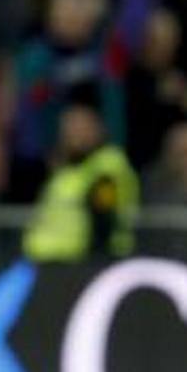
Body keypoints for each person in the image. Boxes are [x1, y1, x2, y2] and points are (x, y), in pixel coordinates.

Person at [22, 102, 140, 261]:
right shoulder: (67, 170)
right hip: (49, 262)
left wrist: (93, 265)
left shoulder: (107, 165)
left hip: (81, 263)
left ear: (97, 128)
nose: (70, 133)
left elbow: (103, 219)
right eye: (68, 126)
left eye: (78, 126)